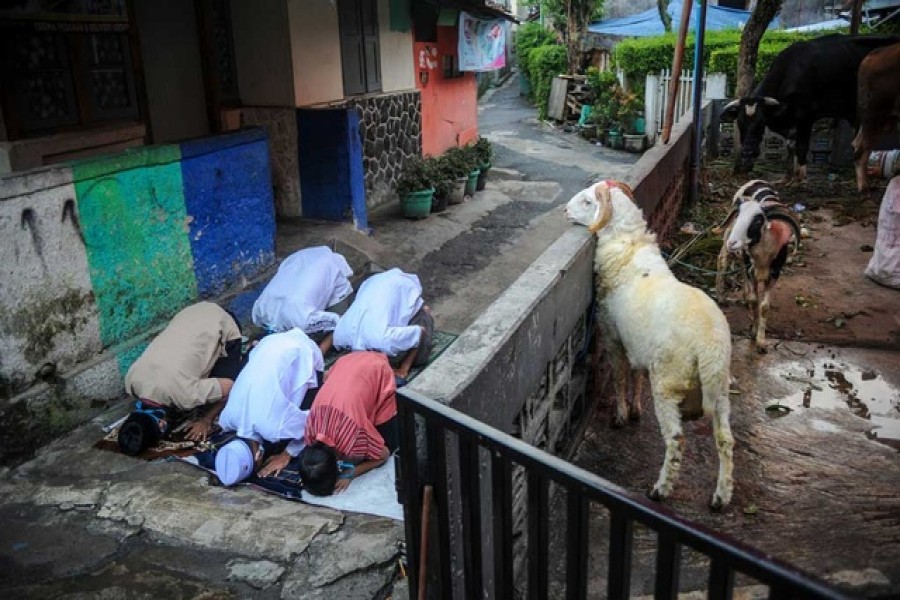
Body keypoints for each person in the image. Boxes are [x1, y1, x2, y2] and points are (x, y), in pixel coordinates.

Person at [119, 302, 242, 455]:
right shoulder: (131, 381)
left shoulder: (184, 396)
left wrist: (206, 420)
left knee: (230, 382)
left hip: (223, 321)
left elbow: (229, 387)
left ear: (163, 424)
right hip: (190, 312)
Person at [215, 328, 324, 485]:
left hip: (303, 350)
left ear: (259, 456)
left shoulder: (274, 428)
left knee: (313, 404)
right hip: (268, 342)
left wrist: (287, 454)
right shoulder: (227, 419)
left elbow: (315, 422)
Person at [298, 351, 398, 496]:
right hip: (346, 361)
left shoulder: (352, 438)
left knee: (391, 443)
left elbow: (383, 455)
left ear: (337, 466)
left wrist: (351, 473)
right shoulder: (310, 431)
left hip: (377, 368)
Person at [332, 268, 434, 385]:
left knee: (419, 358)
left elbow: (420, 331)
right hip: (373, 282)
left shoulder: (383, 340)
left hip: (401, 284)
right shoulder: (340, 337)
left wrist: (404, 369)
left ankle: (424, 312)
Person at [251, 246, 353, 354]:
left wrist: (317, 356)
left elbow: (340, 322)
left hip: (329, 266)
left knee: (341, 330)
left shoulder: (303, 320)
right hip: (299, 260)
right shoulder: (259, 311)